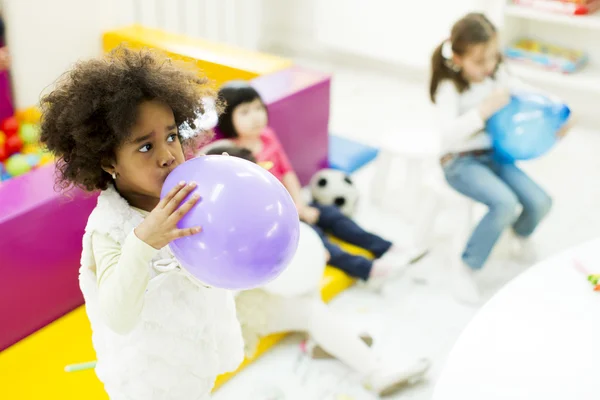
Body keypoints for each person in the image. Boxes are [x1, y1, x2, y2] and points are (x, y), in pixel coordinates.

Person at [40, 47, 244, 399]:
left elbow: (220, 270)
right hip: (151, 380)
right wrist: (143, 242)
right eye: (145, 148)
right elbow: (118, 317)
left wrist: (228, 198)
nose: (168, 155)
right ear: (108, 162)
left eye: (170, 136)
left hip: (198, 354)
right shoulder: (110, 228)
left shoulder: (190, 195)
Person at [205, 145, 432, 397]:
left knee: (308, 294)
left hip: (262, 285)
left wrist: (307, 252)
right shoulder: (219, 221)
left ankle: (325, 340)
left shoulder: (259, 205)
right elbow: (228, 284)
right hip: (238, 305)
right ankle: (375, 371)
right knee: (310, 311)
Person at [203, 81, 427, 289]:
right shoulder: (231, 153)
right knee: (318, 239)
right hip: (275, 218)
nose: (255, 117)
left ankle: (384, 246)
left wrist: (300, 205)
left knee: (333, 216)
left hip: (293, 204)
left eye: (258, 108)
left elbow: (287, 172)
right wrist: (293, 215)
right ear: (227, 117)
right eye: (244, 112)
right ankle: (369, 270)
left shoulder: (267, 136)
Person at [430, 13, 573, 303]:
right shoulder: (450, 87)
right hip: (459, 162)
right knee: (504, 203)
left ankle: (518, 235)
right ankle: (466, 266)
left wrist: (558, 113)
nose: (489, 66)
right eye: (479, 62)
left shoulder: (497, 74)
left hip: (494, 155)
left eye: (493, 58)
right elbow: (446, 136)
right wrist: (482, 111)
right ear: (458, 59)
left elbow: (525, 90)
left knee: (540, 201)